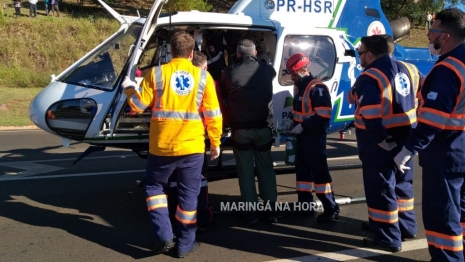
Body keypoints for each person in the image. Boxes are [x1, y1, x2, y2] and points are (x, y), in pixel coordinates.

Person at [121, 31, 222, 258]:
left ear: (171, 51)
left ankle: (164, 235)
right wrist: (215, 142)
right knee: (189, 197)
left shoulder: (157, 74)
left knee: (154, 188)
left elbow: (137, 106)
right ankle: (185, 245)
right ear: (192, 52)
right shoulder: (203, 78)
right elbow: (213, 115)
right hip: (193, 147)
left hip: (162, 146)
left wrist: (128, 87)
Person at [394, 8, 465, 261]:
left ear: (445, 36)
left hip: (446, 154)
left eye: (432, 30)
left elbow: (432, 119)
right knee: (461, 216)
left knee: (443, 220)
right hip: (460, 152)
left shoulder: (449, 69)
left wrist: (408, 149)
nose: (427, 36)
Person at [352, 35, 420, 253]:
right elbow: (424, 94)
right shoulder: (408, 69)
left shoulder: (369, 76)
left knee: (381, 187)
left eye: (360, 52)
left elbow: (370, 114)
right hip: (406, 136)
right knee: (403, 185)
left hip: (380, 141)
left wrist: (380, 140)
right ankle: (406, 227)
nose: (359, 56)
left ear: (370, 54)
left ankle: (387, 236)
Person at [220, 39, 278, 225]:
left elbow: (224, 90)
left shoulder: (228, 72)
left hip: (241, 130)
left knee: (245, 171)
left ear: (237, 54)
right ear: (254, 53)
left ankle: (250, 212)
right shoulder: (266, 70)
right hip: (263, 129)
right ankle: (271, 211)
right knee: (266, 169)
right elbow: (271, 72)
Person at [283, 53, 340, 222]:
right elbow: (300, 112)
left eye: (293, 73)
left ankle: (331, 209)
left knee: (320, 174)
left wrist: (303, 126)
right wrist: (293, 123)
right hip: (302, 137)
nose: (292, 77)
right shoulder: (299, 87)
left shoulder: (317, 88)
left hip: (314, 137)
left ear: (302, 70)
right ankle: (305, 205)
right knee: (303, 174)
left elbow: (323, 115)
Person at [166, 50, 217, 233]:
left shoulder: (171, 79)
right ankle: (201, 218)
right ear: (203, 67)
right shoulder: (206, 81)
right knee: (198, 182)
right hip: (194, 141)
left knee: (173, 182)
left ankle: (173, 218)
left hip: (171, 141)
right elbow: (213, 113)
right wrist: (215, 141)